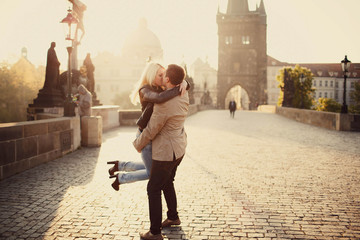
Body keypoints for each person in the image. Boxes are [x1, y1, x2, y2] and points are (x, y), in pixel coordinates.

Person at [107, 62, 189, 191]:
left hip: (153, 136)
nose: (164, 77)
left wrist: (184, 83)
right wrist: (182, 86)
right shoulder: (145, 90)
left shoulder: (162, 88)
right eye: (160, 75)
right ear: (151, 75)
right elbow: (159, 98)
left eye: (164, 74)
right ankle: (120, 178)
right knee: (151, 173)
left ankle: (120, 165)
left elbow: (175, 80)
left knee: (152, 170)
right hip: (145, 135)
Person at [133, 64, 189, 240]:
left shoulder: (163, 103)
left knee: (154, 187)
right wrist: (185, 82)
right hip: (179, 147)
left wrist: (138, 144)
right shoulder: (183, 92)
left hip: (166, 152)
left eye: (164, 75)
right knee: (167, 181)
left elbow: (151, 130)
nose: (162, 77)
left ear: (167, 80)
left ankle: (155, 232)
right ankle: (173, 216)